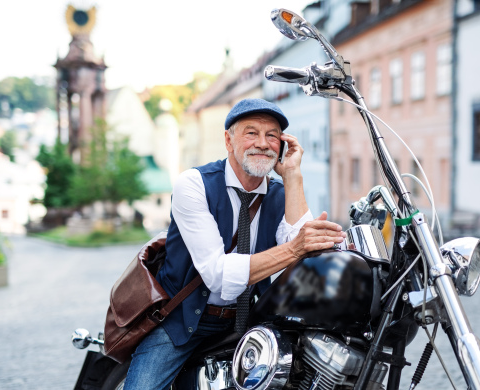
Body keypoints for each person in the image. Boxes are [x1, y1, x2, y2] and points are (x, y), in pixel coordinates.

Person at [123, 98, 345, 389]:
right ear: (228, 141)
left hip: (248, 319)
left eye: (272, 135)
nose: (263, 143)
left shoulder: (280, 192)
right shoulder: (194, 184)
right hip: (182, 320)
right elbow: (218, 274)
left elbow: (306, 256)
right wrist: (295, 248)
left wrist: (293, 176)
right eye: (251, 132)